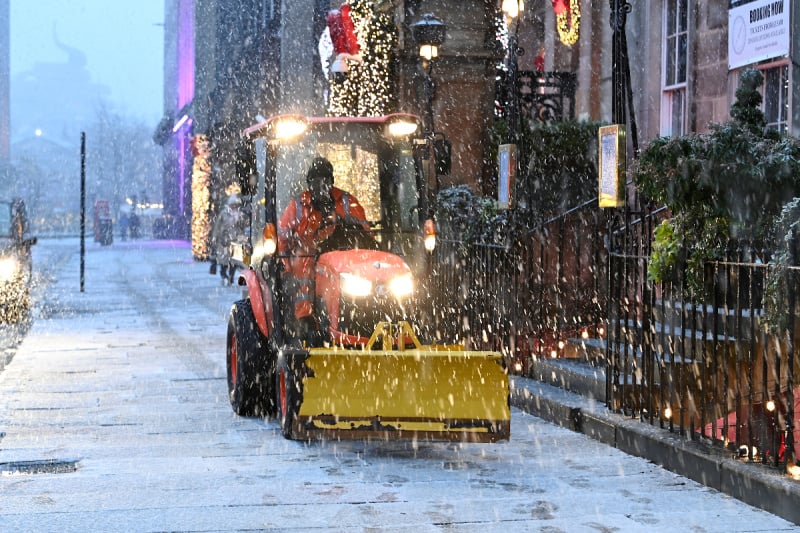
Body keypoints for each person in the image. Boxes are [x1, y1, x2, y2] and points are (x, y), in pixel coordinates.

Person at [278, 156, 368, 341]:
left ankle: (365, 320)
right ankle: (305, 320)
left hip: (342, 256)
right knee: (303, 263)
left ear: (332, 180)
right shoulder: (298, 205)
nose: (321, 185)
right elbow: (282, 236)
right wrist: (284, 264)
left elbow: (366, 232)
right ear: (309, 182)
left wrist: (353, 225)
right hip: (309, 255)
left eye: (326, 180)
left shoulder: (346, 202)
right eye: (316, 181)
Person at [210, 193, 246, 285]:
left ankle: (231, 277)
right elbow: (217, 226)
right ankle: (224, 275)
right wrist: (215, 237)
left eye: (235, 204)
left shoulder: (240, 214)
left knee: (234, 262)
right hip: (224, 241)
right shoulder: (224, 214)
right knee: (223, 261)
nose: (234, 206)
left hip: (236, 241)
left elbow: (243, 228)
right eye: (232, 204)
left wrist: (243, 238)